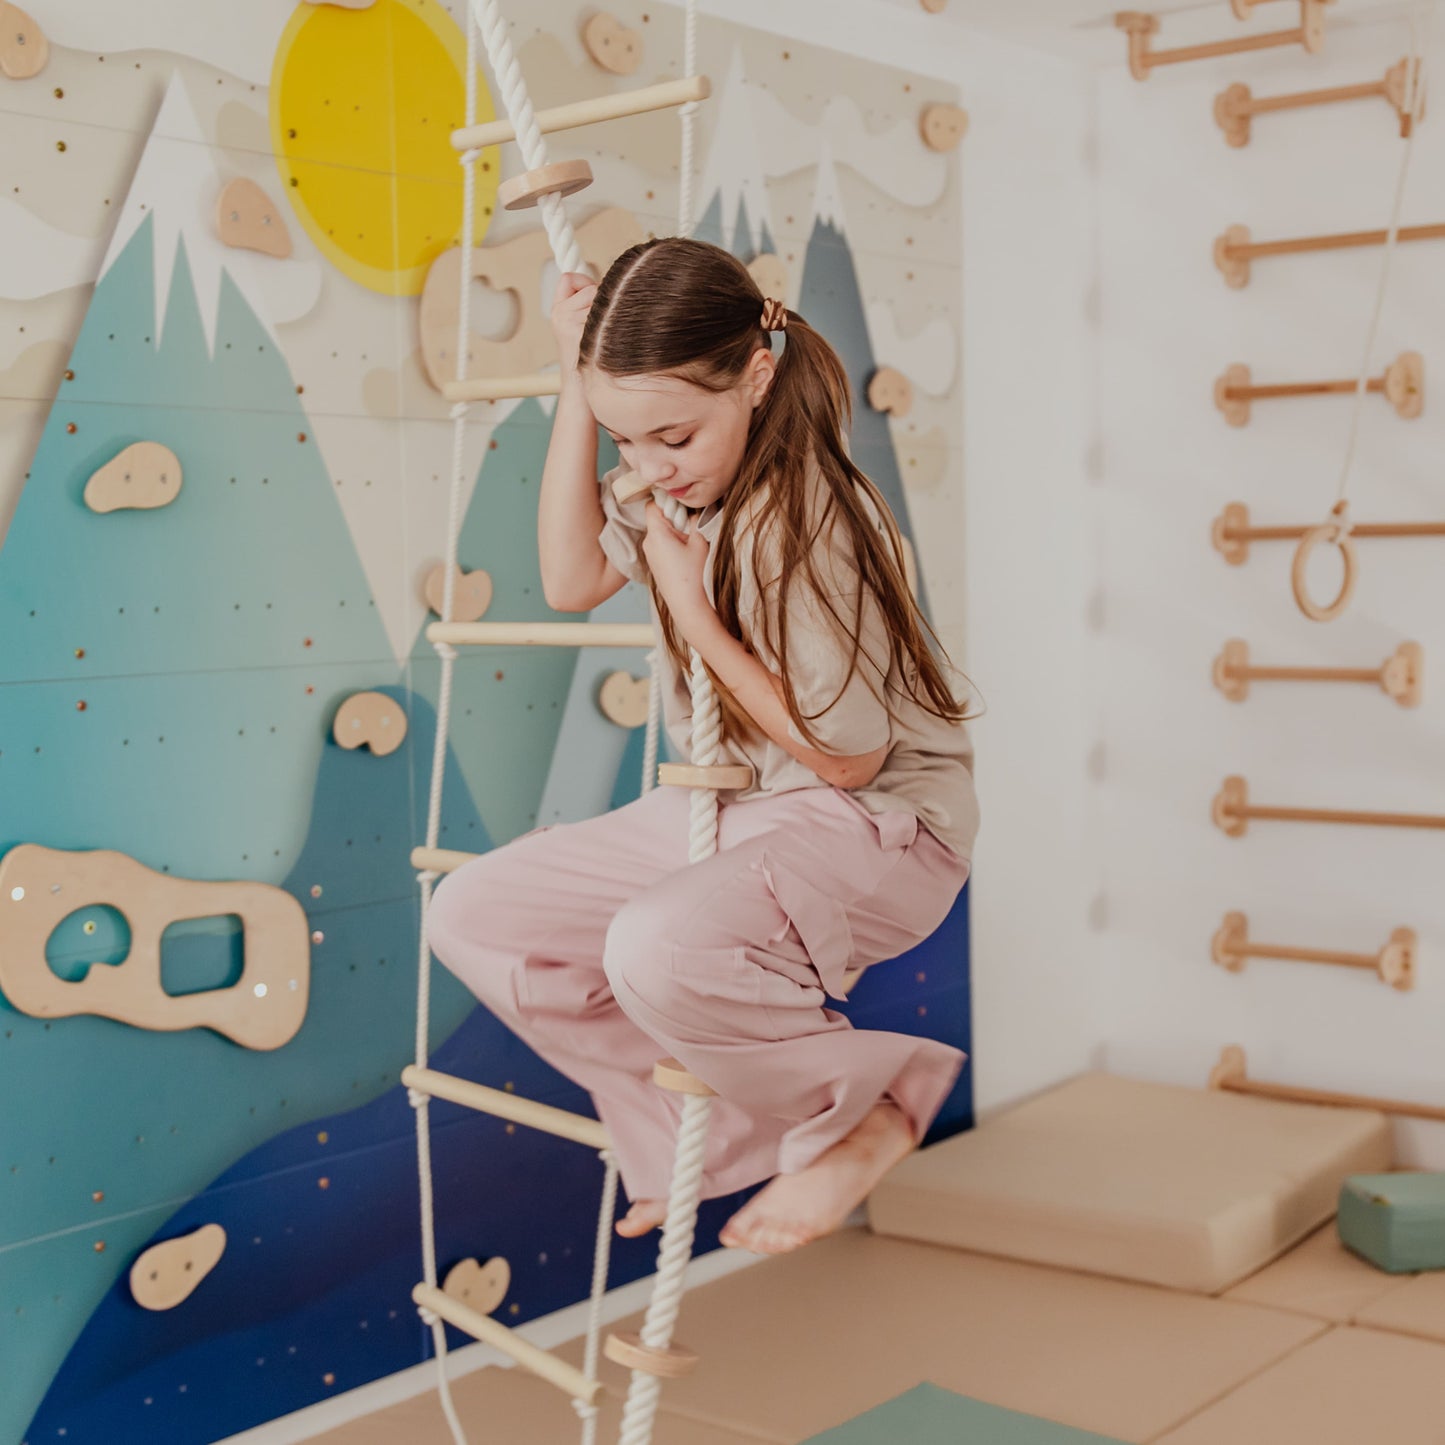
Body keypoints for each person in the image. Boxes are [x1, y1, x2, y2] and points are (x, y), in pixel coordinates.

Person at [427, 237, 980, 1256]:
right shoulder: (688, 487)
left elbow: (846, 760)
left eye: (669, 436)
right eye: (622, 440)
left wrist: (691, 605)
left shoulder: (808, 518)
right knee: (475, 914)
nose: (645, 470)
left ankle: (870, 1102)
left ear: (756, 377)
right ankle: (706, 1127)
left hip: (880, 827)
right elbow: (568, 578)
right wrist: (572, 379)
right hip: (742, 810)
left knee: (654, 943)